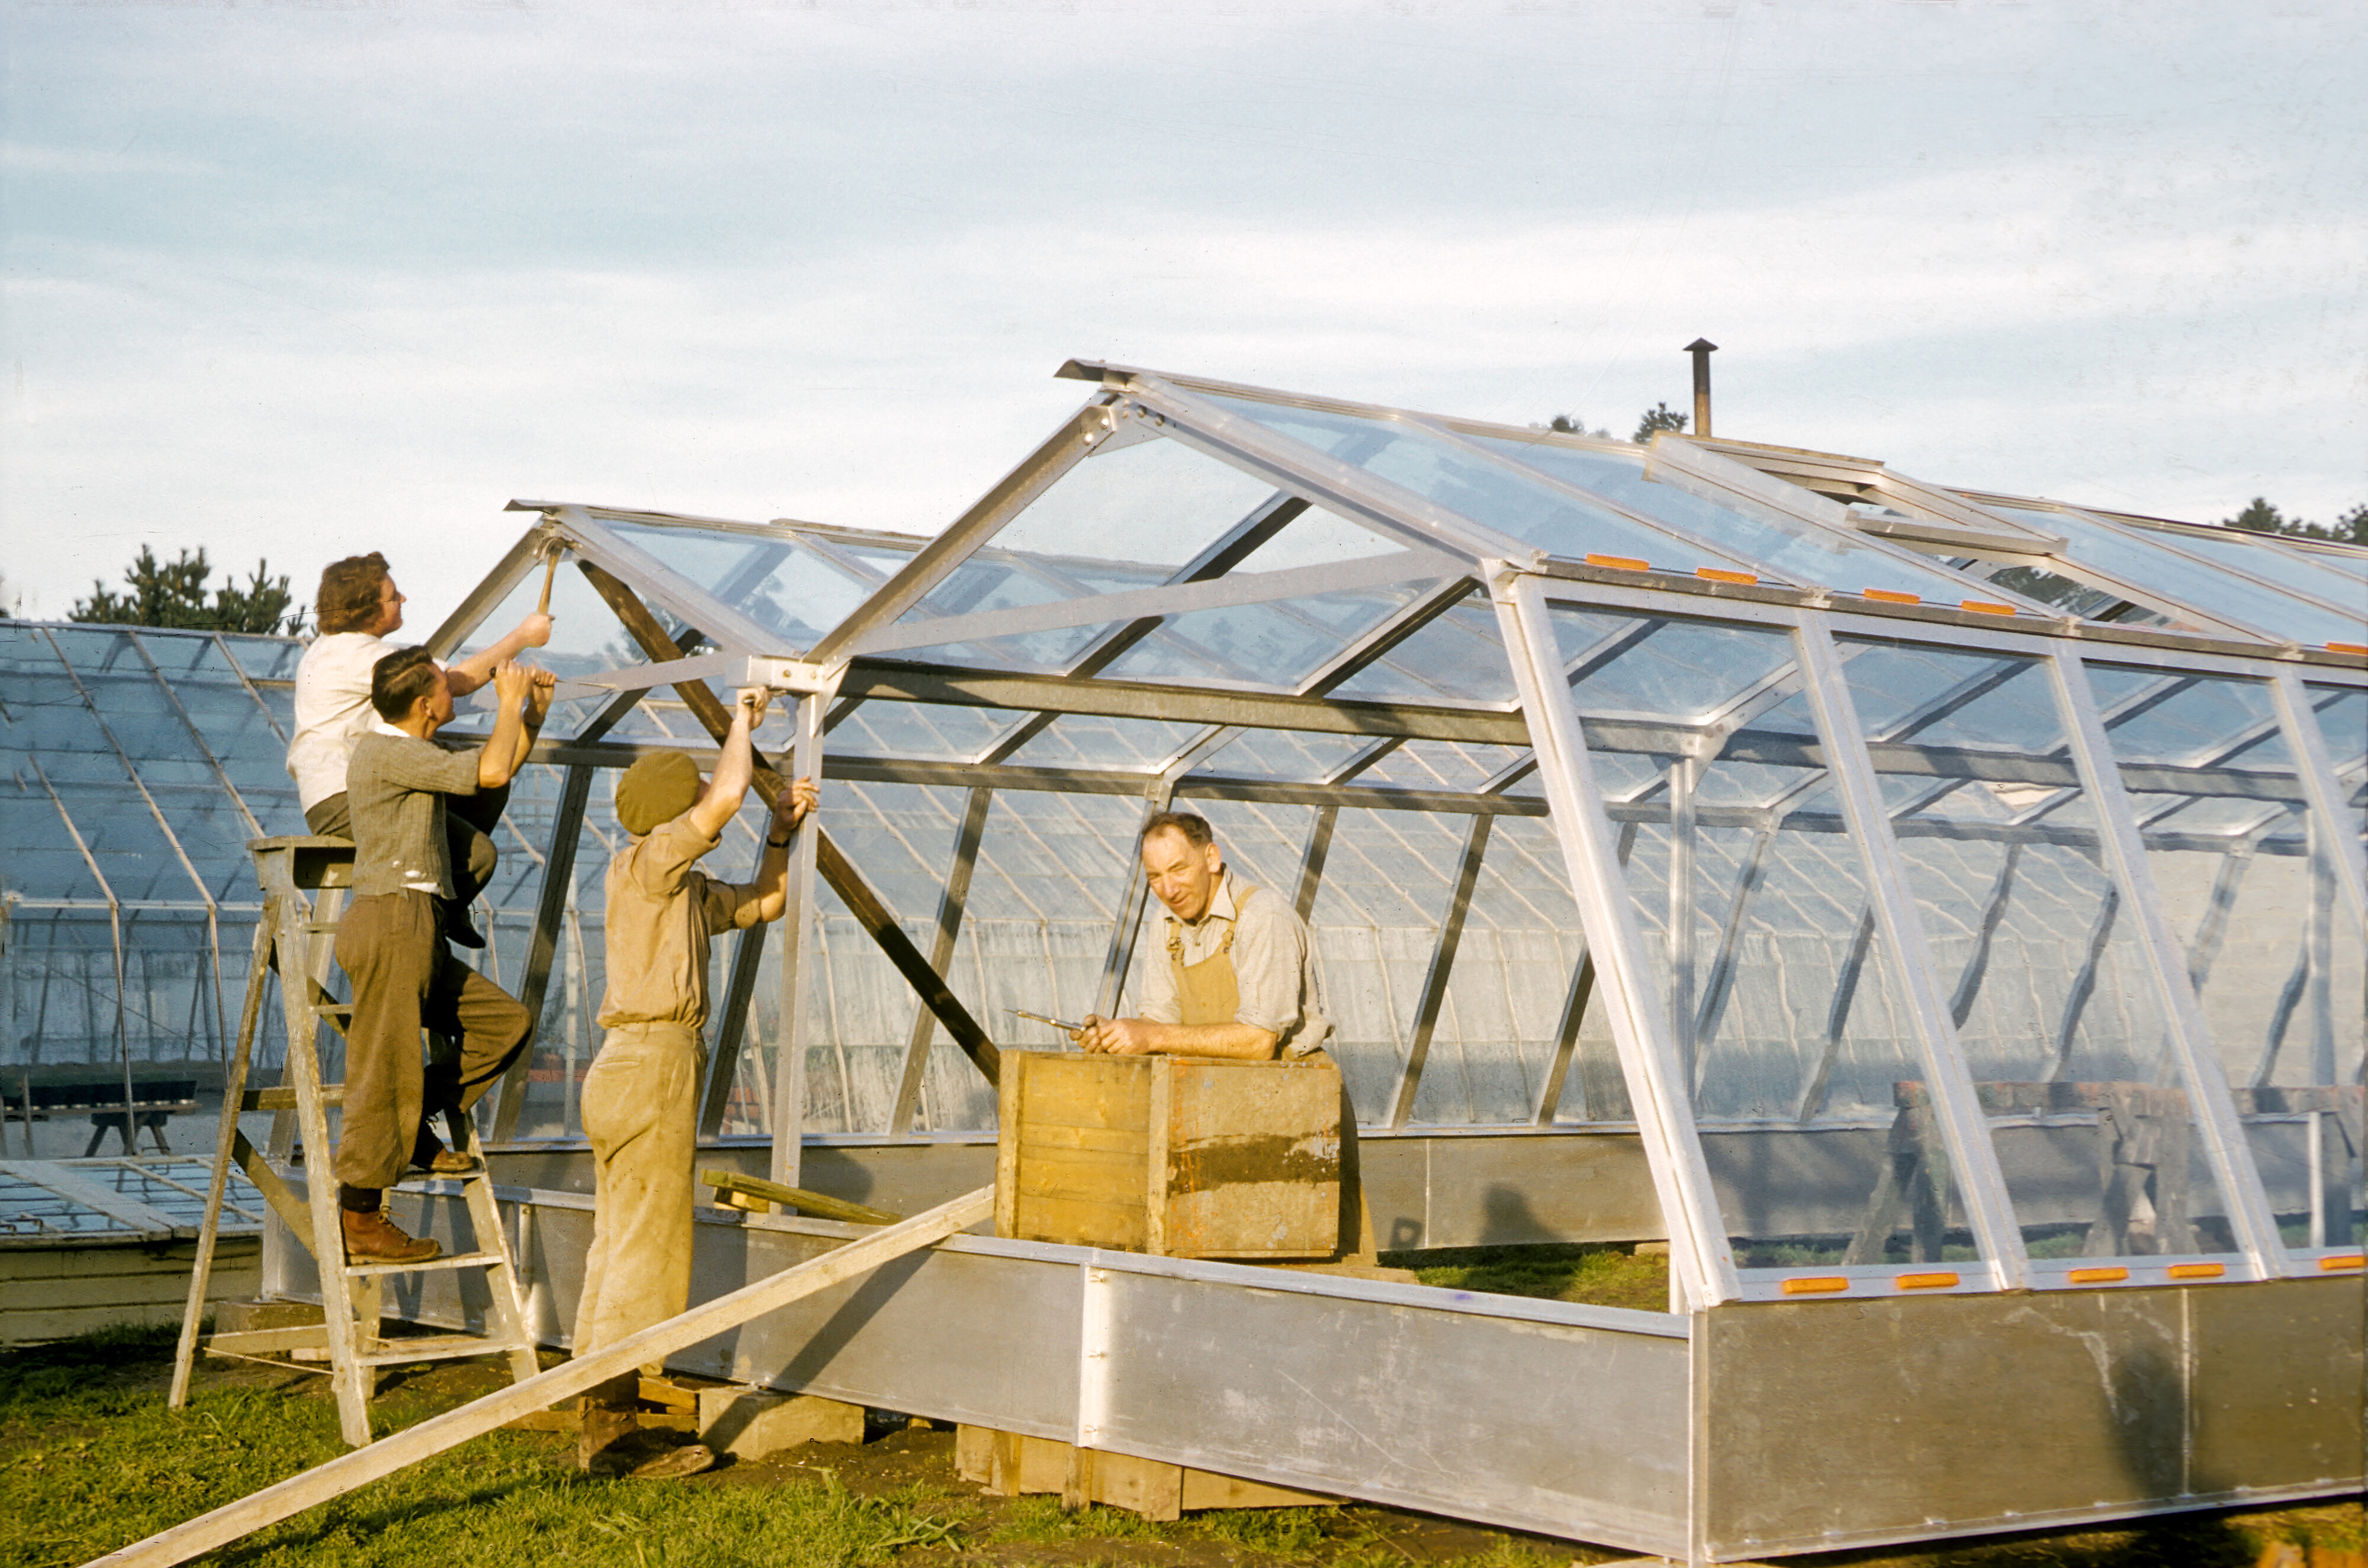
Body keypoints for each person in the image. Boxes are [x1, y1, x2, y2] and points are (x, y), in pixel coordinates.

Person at [573, 687, 818, 1480]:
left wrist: (779, 837)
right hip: (650, 1064)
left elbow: (767, 902)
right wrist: (741, 724)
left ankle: (596, 1407)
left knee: (619, 1241)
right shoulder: (649, 866)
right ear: (668, 817)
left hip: (630, 1066)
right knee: (646, 1247)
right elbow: (726, 795)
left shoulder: (672, 892)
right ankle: (612, 1440)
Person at [332, 648, 552, 1265]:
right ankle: (361, 1219)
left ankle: (415, 1120)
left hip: (417, 923)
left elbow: (493, 772)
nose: (456, 687)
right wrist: (509, 702)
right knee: (382, 1070)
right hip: (391, 918)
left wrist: (528, 718)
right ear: (426, 704)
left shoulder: (415, 756)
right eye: (444, 684)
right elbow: (488, 770)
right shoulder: (386, 751)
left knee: (505, 1023)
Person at [1074, 811, 1374, 1262]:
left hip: (1294, 1102)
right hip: (1213, 1104)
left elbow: (1258, 1042)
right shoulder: (1166, 926)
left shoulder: (1262, 916)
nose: (1168, 890)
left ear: (1211, 858)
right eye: (1154, 877)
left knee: (1309, 1252)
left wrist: (1151, 1035)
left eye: (1178, 870)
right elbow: (1159, 1022)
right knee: (1219, 1253)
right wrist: (1118, 1038)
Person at [288, 552, 552, 947]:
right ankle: (433, 921)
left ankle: (446, 896)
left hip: (345, 793)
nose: (404, 600)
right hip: (346, 800)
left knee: (486, 784)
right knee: (479, 854)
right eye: (394, 597)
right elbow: (456, 683)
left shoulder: (331, 651)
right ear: (367, 610)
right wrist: (522, 637)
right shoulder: (359, 656)